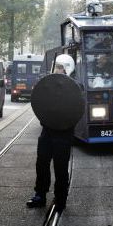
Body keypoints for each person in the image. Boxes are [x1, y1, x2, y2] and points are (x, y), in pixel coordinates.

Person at [26, 54, 77, 212]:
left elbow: (76, 110)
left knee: (61, 168)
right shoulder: (48, 84)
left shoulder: (75, 87)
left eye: (60, 67)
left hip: (63, 133)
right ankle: (40, 194)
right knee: (41, 163)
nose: (57, 70)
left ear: (67, 69)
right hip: (47, 131)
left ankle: (60, 199)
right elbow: (40, 102)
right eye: (56, 67)